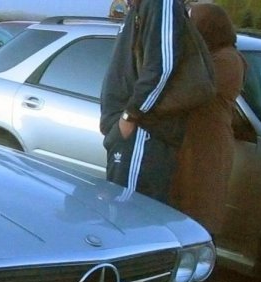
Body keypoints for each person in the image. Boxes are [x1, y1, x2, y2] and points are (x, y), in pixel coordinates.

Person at [100, 0, 192, 204]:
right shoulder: (138, 7)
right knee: (117, 209)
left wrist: (129, 117)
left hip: (142, 133)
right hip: (126, 133)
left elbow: (162, 67)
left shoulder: (160, 3)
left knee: (130, 209)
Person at [170, 3, 246, 237]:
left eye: (194, 23)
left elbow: (192, 88)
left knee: (201, 208)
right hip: (191, 142)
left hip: (208, 146)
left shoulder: (227, 59)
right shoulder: (210, 55)